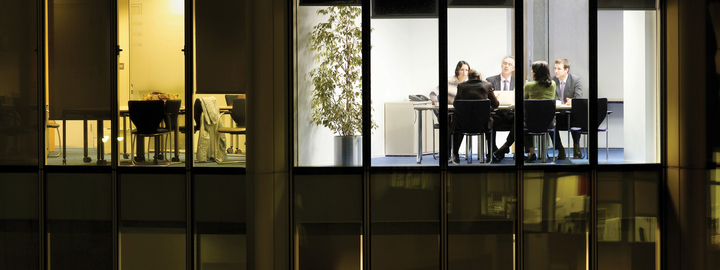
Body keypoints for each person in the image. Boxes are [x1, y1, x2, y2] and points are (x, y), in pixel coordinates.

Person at [450, 69, 499, 164]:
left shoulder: (461, 86)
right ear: (479, 77)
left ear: (469, 77)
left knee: (456, 121)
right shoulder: (487, 85)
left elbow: (456, 104)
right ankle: (490, 154)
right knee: (492, 121)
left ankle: (455, 154)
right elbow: (495, 105)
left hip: (463, 124)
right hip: (483, 125)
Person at [523, 61, 557, 162]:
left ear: (536, 72)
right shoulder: (553, 84)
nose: (531, 71)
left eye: (533, 70)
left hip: (531, 122)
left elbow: (524, 100)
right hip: (548, 122)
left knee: (518, 124)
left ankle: (531, 152)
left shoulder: (529, 85)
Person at [553, 58, 583, 159]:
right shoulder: (552, 81)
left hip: (570, 114)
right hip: (557, 114)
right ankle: (560, 149)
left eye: (559, 69)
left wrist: (572, 101)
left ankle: (576, 147)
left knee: (576, 118)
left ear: (566, 70)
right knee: (550, 122)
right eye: (555, 68)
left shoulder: (575, 80)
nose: (556, 71)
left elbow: (579, 97)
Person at [486, 56, 516, 161]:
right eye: (505, 63)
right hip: (496, 113)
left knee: (520, 120)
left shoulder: (518, 82)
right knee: (489, 119)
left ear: (513, 68)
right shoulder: (490, 81)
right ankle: (492, 149)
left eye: (509, 64)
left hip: (511, 114)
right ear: (501, 66)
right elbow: (486, 100)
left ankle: (505, 147)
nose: (506, 66)